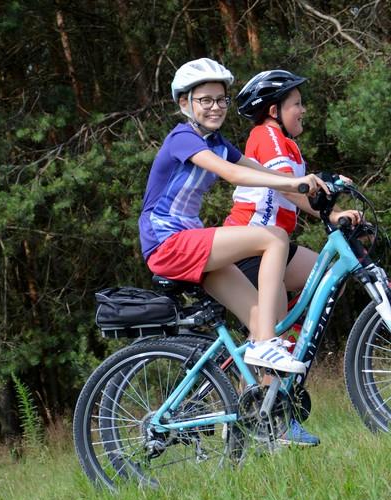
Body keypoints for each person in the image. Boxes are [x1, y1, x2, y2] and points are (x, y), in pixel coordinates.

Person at [138, 58, 329, 375]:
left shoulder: (216, 142)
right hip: (167, 243)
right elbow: (232, 174)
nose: (215, 107)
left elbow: (260, 172)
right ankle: (265, 345)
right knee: (275, 238)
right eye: (205, 100)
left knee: (261, 321)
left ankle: (258, 403)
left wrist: (314, 183)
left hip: (192, 244)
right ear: (185, 104)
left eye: (221, 99)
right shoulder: (182, 138)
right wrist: (293, 183)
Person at [224, 70, 363, 446]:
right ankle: (274, 423)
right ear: (274, 110)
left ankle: (258, 402)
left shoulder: (287, 145)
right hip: (251, 247)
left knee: (326, 280)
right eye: (296, 104)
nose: (303, 110)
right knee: (269, 334)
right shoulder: (266, 135)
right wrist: (330, 208)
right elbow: (291, 190)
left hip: (273, 247)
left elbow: (299, 193)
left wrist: (333, 205)